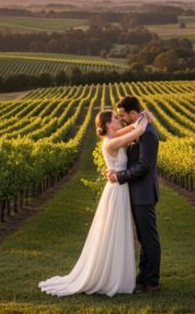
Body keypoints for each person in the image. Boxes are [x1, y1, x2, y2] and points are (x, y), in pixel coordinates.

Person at [39, 107, 151, 297]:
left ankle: (119, 275)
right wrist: (145, 118)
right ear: (108, 124)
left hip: (119, 188)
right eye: (116, 118)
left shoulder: (113, 137)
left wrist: (138, 119)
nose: (119, 120)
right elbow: (138, 131)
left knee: (119, 230)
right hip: (117, 191)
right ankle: (112, 278)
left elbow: (131, 128)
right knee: (115, 231)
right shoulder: (110, 143)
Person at [107, 96, 161, 293]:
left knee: (149, 238)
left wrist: (120, 176)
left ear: (133, 113)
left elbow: (145, 166)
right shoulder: (139, 126)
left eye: (123, 115)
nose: (121, 119)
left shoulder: (147, 133)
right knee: (143, 238)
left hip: (143, 193)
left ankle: (152, 282)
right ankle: (144, 274)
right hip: (137, 191)